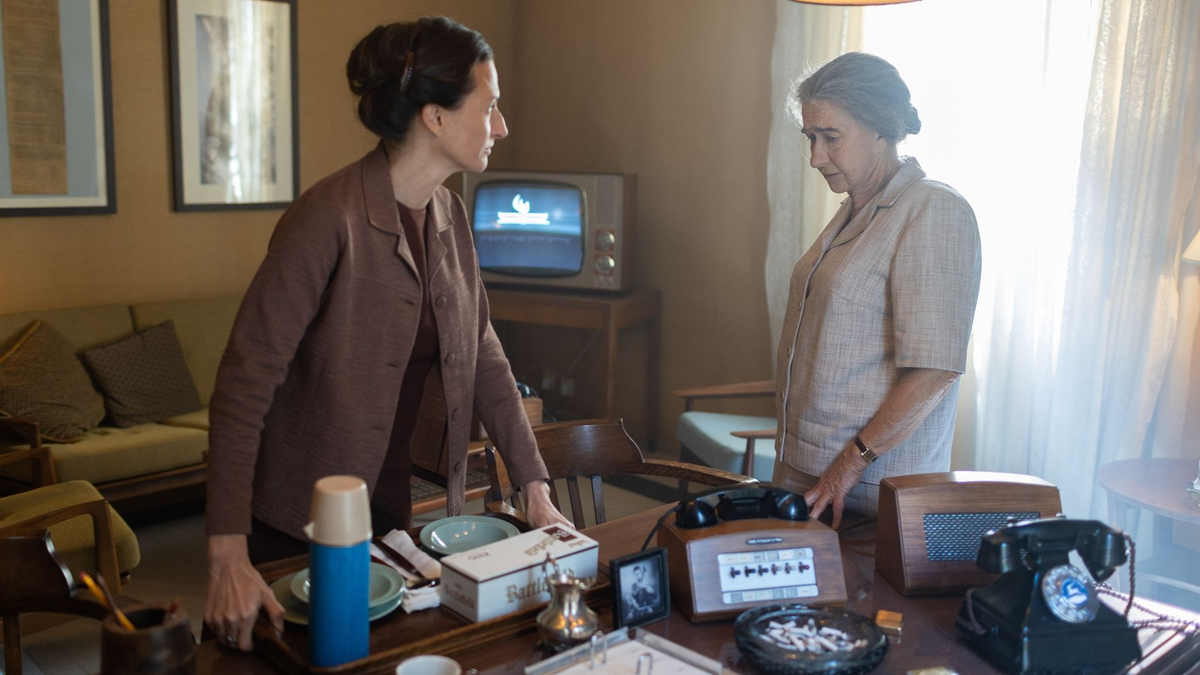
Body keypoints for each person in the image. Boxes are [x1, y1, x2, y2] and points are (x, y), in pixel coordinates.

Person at [203, 16, 570, 650]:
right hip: (298, 525)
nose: (502, 127)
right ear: (436, 116)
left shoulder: (450, 214)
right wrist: (226, 558)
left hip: (388, 514)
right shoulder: (326, 216)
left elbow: (484, 353)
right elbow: (243, 386)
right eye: (489, 107)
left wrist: (534, 487)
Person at [773, 53, 982, 529]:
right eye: (810, 138)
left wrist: (849, 465)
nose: (815, 158)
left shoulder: (933, 209)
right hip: (807, 473)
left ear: (881, 130)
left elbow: (935, 368)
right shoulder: (856, 210)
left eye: (831, 138)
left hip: (867, 489)